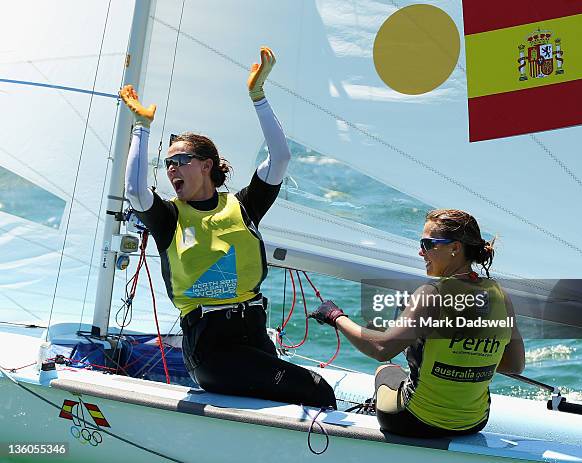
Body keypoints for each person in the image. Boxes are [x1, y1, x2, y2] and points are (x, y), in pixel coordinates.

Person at [120, 47, 336, 409]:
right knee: (317, 389)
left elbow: (280, 157)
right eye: (168, 163)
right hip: (211, 350)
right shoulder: (169, 217)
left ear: (206, 165)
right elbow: (134, 191)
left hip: (253, 337)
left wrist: (259, 96)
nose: (172, 169)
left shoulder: (244, 205)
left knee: (301, 398)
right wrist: (142, 127)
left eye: (181, 161)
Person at [310, 209, 524, 436]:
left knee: (387, 369)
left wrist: (335, 316)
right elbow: (514, 364)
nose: (421, 252)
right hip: (474, 422)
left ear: (455, 248)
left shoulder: (431, 294)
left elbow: (381, 349)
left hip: (414, 421)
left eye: (428, 244)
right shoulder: (501, 295)